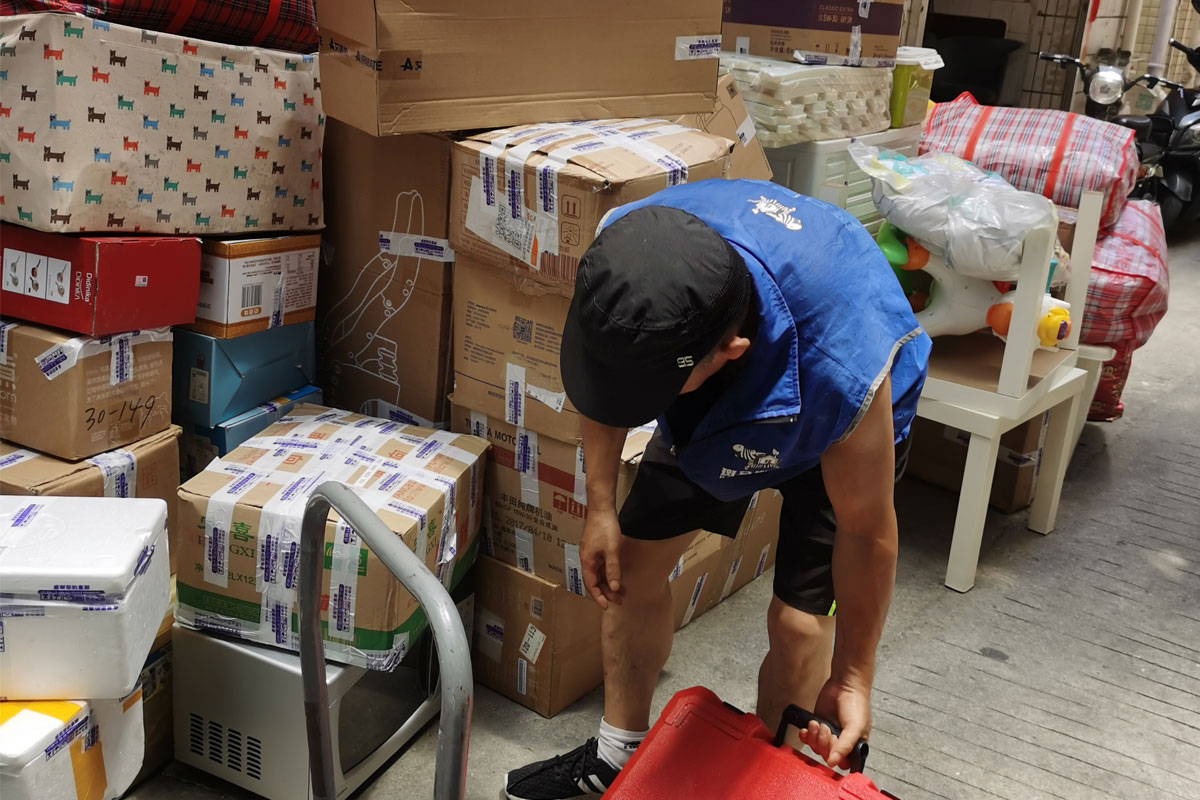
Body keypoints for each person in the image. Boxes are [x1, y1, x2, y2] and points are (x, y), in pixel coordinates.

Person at [502, 178, 931, 800]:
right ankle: (618, 759)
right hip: (720, 393)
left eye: (649, 390)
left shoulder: (847, 371)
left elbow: (866, 530)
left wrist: (853, 677)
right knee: (628, 571)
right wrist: (600, 509)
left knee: (798, 627)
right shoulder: (628, 252)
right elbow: (605, 384)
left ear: (728, 352)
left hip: (833, 413)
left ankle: (765, 778)